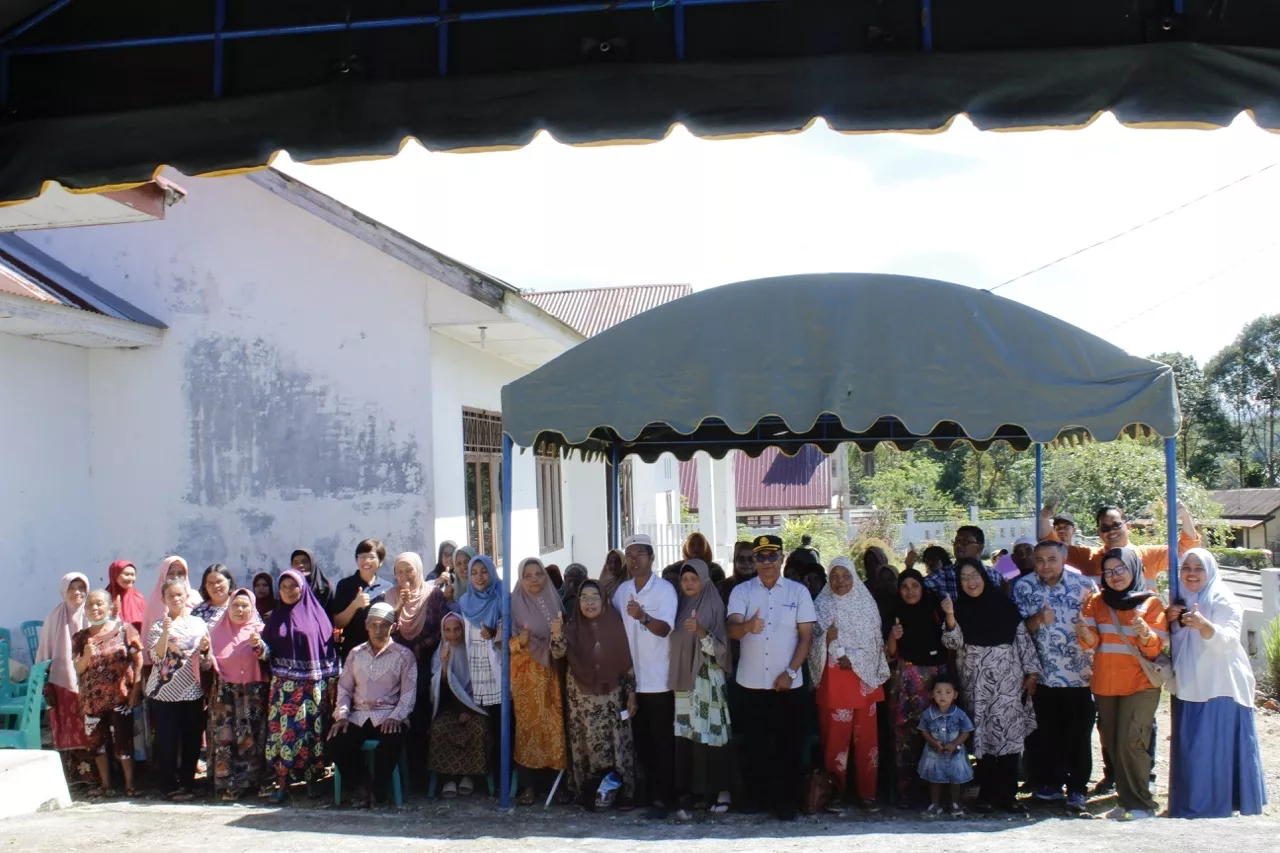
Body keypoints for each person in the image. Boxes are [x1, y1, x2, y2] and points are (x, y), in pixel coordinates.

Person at [1165, 548, 1267, 819]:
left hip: (1220, 688)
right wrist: (1172, 620)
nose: (1191, 573)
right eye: (1186, 567)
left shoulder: (1224, 599)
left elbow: (1229, 641)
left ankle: (1216, 808)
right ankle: (1188, 806)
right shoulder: (1180, 599)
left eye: (1198, 568)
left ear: (1210, 571)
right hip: (1190, 687)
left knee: (1214, 752)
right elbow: (1176, 644)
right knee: (1192, 752)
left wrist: (1204, 625)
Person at [727, 534, 816, 821]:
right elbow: (731, 630)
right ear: (754, 560)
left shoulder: (798, 592)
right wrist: (747, 627)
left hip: (787, 684)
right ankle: (757, 799)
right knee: (755, 746)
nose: (766, 562)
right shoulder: (742, 592)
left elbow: (806, 638)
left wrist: (791, 672)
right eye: (760, 557)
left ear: (782, 558)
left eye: (772, 556)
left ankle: (786, 802)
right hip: (751, 682)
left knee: (788, 746)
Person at [941, 558, 1039, 814]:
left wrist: (1031, 674)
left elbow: (1022, 640)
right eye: (964, 578)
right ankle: (986, 794)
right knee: (983, 738)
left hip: (1008, 682)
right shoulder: (959, 609)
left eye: (974, 576)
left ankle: (1009, 795)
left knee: (1008, 738)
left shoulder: (1004, 605)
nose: (970, 582)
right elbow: (951, 643)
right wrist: (950, 616)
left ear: (984, 577)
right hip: (976, 684)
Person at [1075, 547, 1166, 820]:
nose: (1115, 576)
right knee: (1114, 744)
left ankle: (1142, 805)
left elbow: (1154, 649)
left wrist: (1146, 633)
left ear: (1134, 569)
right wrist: (1082, 630)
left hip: (1140, 684)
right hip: (1106, 685)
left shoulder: (1151, 603)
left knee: (1131, 742)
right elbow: (1091, 642)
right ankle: (1127, 800)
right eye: (1109, 571)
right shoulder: (1096, 601)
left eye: (1120, 569)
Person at [1011, 540, 1096, 812]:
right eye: (1039, 560)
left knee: (1078, 735)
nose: (1045, 565)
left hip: (1078, 675)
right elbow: (1019, 630)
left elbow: (1095, 627)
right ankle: (1048, 784)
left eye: (1051, 559)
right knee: (1046, 735)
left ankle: (1077, 788)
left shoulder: (1084, 586)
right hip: (1042, 676)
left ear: (1064, 559)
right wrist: (1037, 618)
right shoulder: (1023, 586)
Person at [809, 556, 890, 811]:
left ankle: (867, 794)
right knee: (835, 742)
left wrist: (850, 657)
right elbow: (808, 642)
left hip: (863, 680)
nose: (840, 581)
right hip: (834, 683)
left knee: (868, 742)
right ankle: (835, 793)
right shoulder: (821, 604)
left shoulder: (866, 604)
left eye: (845, 576)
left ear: (853, 577)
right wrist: (825, 639)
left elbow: (875, 643)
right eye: (834, 576)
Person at [552, 579, 638, 809]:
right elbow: (558, 652)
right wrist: (557, 633)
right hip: (581, 700)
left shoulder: (616, 625)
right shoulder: (571, 627)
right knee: (585, 742)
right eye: (584, 597)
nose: (589, 602)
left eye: (594, 597)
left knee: (617, 743)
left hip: (612, 699)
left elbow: (627, 666)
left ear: (603, 600)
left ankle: (622, 792)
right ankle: (589, 792)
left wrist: (631, 695)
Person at [612, 533, 679, 818]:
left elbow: (665, 629)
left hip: (659, 679)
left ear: (651, 558)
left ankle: (665, 797)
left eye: (640, 554)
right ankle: (646, 792)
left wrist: (643, 617)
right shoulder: (621, 591)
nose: (634, 559)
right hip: (631, 682)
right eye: (629, 555)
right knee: (639, 741)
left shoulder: (664, 590)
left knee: (662, 742)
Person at [262, 569, 339, 802]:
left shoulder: (318, 616)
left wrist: (333, 680)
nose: (287, 591)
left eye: (292, 586)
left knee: (311, 734)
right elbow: (267, 652)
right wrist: (258, 646)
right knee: (285, 736)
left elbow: (329, 650)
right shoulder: (276, 618)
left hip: (313, 688)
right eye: (283, 587)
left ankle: (311, 782)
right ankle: (283, 784)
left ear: (302, 588)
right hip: (284, 690)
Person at [330, 603, 417, 808]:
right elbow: (344, 689)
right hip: (359, 714)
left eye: (384, 625)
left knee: (391, 740)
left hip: (390, 714)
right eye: (374, 625)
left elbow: (409, 693)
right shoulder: (355, 654)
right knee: (336, 740)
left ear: (393, 627)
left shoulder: (404, 655)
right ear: (366, 626)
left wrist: (397, 716)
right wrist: (342, 715)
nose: (378, 630)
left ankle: (379, 790)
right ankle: (360, 786)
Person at [669, 558, 733, 816]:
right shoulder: (681, 605)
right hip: (685, 681)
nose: (689, 584)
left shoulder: (714, 605)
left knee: (714, 736)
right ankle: (701, 792)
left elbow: (720, 649)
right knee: (693, 738)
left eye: (694, 579)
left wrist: (700, 631)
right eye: (685, 579)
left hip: (707, 679)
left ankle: (723, 791)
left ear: (704, 580)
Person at [886, 568, 948, 808]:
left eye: (915, 586)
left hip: (935, 681)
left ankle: (934, 792)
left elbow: (950, 643)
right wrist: (893, 636)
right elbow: (889, 653)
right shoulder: (895, 613)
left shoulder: (935, 611)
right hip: (906, 681)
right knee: (905, 735)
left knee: (936, 732)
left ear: (923, 588)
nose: (910, 591)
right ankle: (907, 792)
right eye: (904, 586)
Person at [72, 589, 143, 797]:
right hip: (92, 701)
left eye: (99, 604)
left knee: (123, 742)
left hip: (120, 698)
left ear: (110, 606)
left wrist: (136, 689)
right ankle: (106, 784)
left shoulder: (124, 630)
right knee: (96, 744)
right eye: (90, 605)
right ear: (85, 610)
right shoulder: (80, 638)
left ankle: (130, 784)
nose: (95, 608)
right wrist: (86, 654)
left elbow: (138, 660)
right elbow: (78, 668)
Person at [509, 557, 568, 805]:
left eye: (538, 574)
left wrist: (558, 636)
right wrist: (520, 642)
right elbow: (503, 643)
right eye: (528, 575)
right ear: (520, 580)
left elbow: (567, 638)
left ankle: (558, 786)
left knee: (555, 728)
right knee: (528, 730)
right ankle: (529, 787)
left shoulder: (555, 602)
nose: (534, 580)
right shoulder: (512, 604)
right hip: (526, 677)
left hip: (553, 674)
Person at [146, 577, 211, 801]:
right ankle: (168, 785)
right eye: (171, 595)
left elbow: (206, 655)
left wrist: (205, 649)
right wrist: (165, 631)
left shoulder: (198, 623)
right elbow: (156, 656)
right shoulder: (157, 625)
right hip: (164, 694)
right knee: (167, 741)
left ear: (186, 597)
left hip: (192, 690)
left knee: (192, 740)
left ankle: (187, 783)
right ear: (164, 598)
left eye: (179, 595)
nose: (176, 599)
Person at [204, 588, 270, 801]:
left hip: (253, 694)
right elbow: (205, 665)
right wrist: (204, 652)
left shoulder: (260, 631)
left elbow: (270, 660)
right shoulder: (214, 632)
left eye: (245, 606)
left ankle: (252, 782)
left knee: (251, 736)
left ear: (252, 608)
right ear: (228, 607)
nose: (240, 610)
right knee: (226, 737)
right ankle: (228, 784)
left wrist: (259, 647)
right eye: (236, 605)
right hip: (225, 695)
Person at [1039, 501, 1200, 580]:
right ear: (1099, 533)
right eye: (1105, 528)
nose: (1112, 531)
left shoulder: (1149, 554)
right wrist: (1044, 518)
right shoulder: (1087, 557)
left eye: (1116, 525)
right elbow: (1051, 546)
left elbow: (1186, 548)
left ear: (1127, 526)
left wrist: (1184, 516)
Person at [37, 572, 93, 784]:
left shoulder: (91, 614)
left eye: (80, 588)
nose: (77, 592)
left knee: (90, 728)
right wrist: (44, 684)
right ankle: (72, 777)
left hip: (90, 682)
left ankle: (94, 776)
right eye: (71, 588)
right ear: (64, 591)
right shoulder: (54, 618)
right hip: (61, 681)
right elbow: (43, 653)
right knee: (68, 727)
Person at [429, 613, 490, 797]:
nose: (453, 635)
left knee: (478, 728)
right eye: (447, 630)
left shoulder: (474, 651)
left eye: (457, 629)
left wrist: (468, 710)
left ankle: (469, 776)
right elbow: (439, 691)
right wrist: (445, 665)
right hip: (449, 708)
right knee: (440, 728)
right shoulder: (440, 652)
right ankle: (448, 778)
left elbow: (482, 683)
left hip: (475, 707)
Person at [458, 554, 504, 775]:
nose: (479, 577)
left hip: (498, 671)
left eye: (484, 571)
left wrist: (496, 633)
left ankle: (501, 775)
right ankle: (483, 776)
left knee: (501, 726)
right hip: (474, 671)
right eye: (474, 572)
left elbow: (509, 631)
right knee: (483, 728)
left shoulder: (502, 597)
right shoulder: (465, 602)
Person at [917, 675, 973, 818]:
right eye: (939, 692)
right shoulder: (927, 714)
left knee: (956, 779)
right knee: (934, 779)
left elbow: (966, 731)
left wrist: (954, 744)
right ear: (931, 694)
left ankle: (955, 803)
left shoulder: (959, 714)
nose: (943, 696)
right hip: (934, 753)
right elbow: (923, 730)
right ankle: (935, 804)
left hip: (955, 754)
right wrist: (933, 742)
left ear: (955, 695)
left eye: (948, 692)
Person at [330, 539, 390, 661]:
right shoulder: (345, 585)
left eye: (371, 557)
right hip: (353, 649)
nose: (366, 561)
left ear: (381, 561)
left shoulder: (388, 587)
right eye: (362, 556)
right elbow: (338, 623)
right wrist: (355, 605)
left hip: (380, 650)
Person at [922, 527, 1005, 601]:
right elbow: (916, 588)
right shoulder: (942, 575)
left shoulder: (994, 574)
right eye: (957, 541)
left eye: (965, 542)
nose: (958, 545)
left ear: (980, 548)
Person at [142, 556, 198, 664]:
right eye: (171, 573)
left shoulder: (195, 597)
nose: (175, 577)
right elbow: (150, 642)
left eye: (180, 573)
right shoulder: (156, 602)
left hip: (193, 666)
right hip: (165, 666)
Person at [107, 560, 146, 634]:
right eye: (127, 574)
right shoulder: (104, 599)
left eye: (133, 575)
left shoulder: (138, 597)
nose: (131, 578)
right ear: (115, 575)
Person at [290, 548, 334, 613]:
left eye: (305, 562)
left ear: (312, 564)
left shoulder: (325, 589)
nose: (300, 565)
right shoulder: (288, 587)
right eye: (296, 563)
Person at [718, 541, 757, 607]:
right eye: (741, 559)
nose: (746, 563)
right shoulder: (722, 587)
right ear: (735, 561)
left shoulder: (766, 586)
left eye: (751, 559)